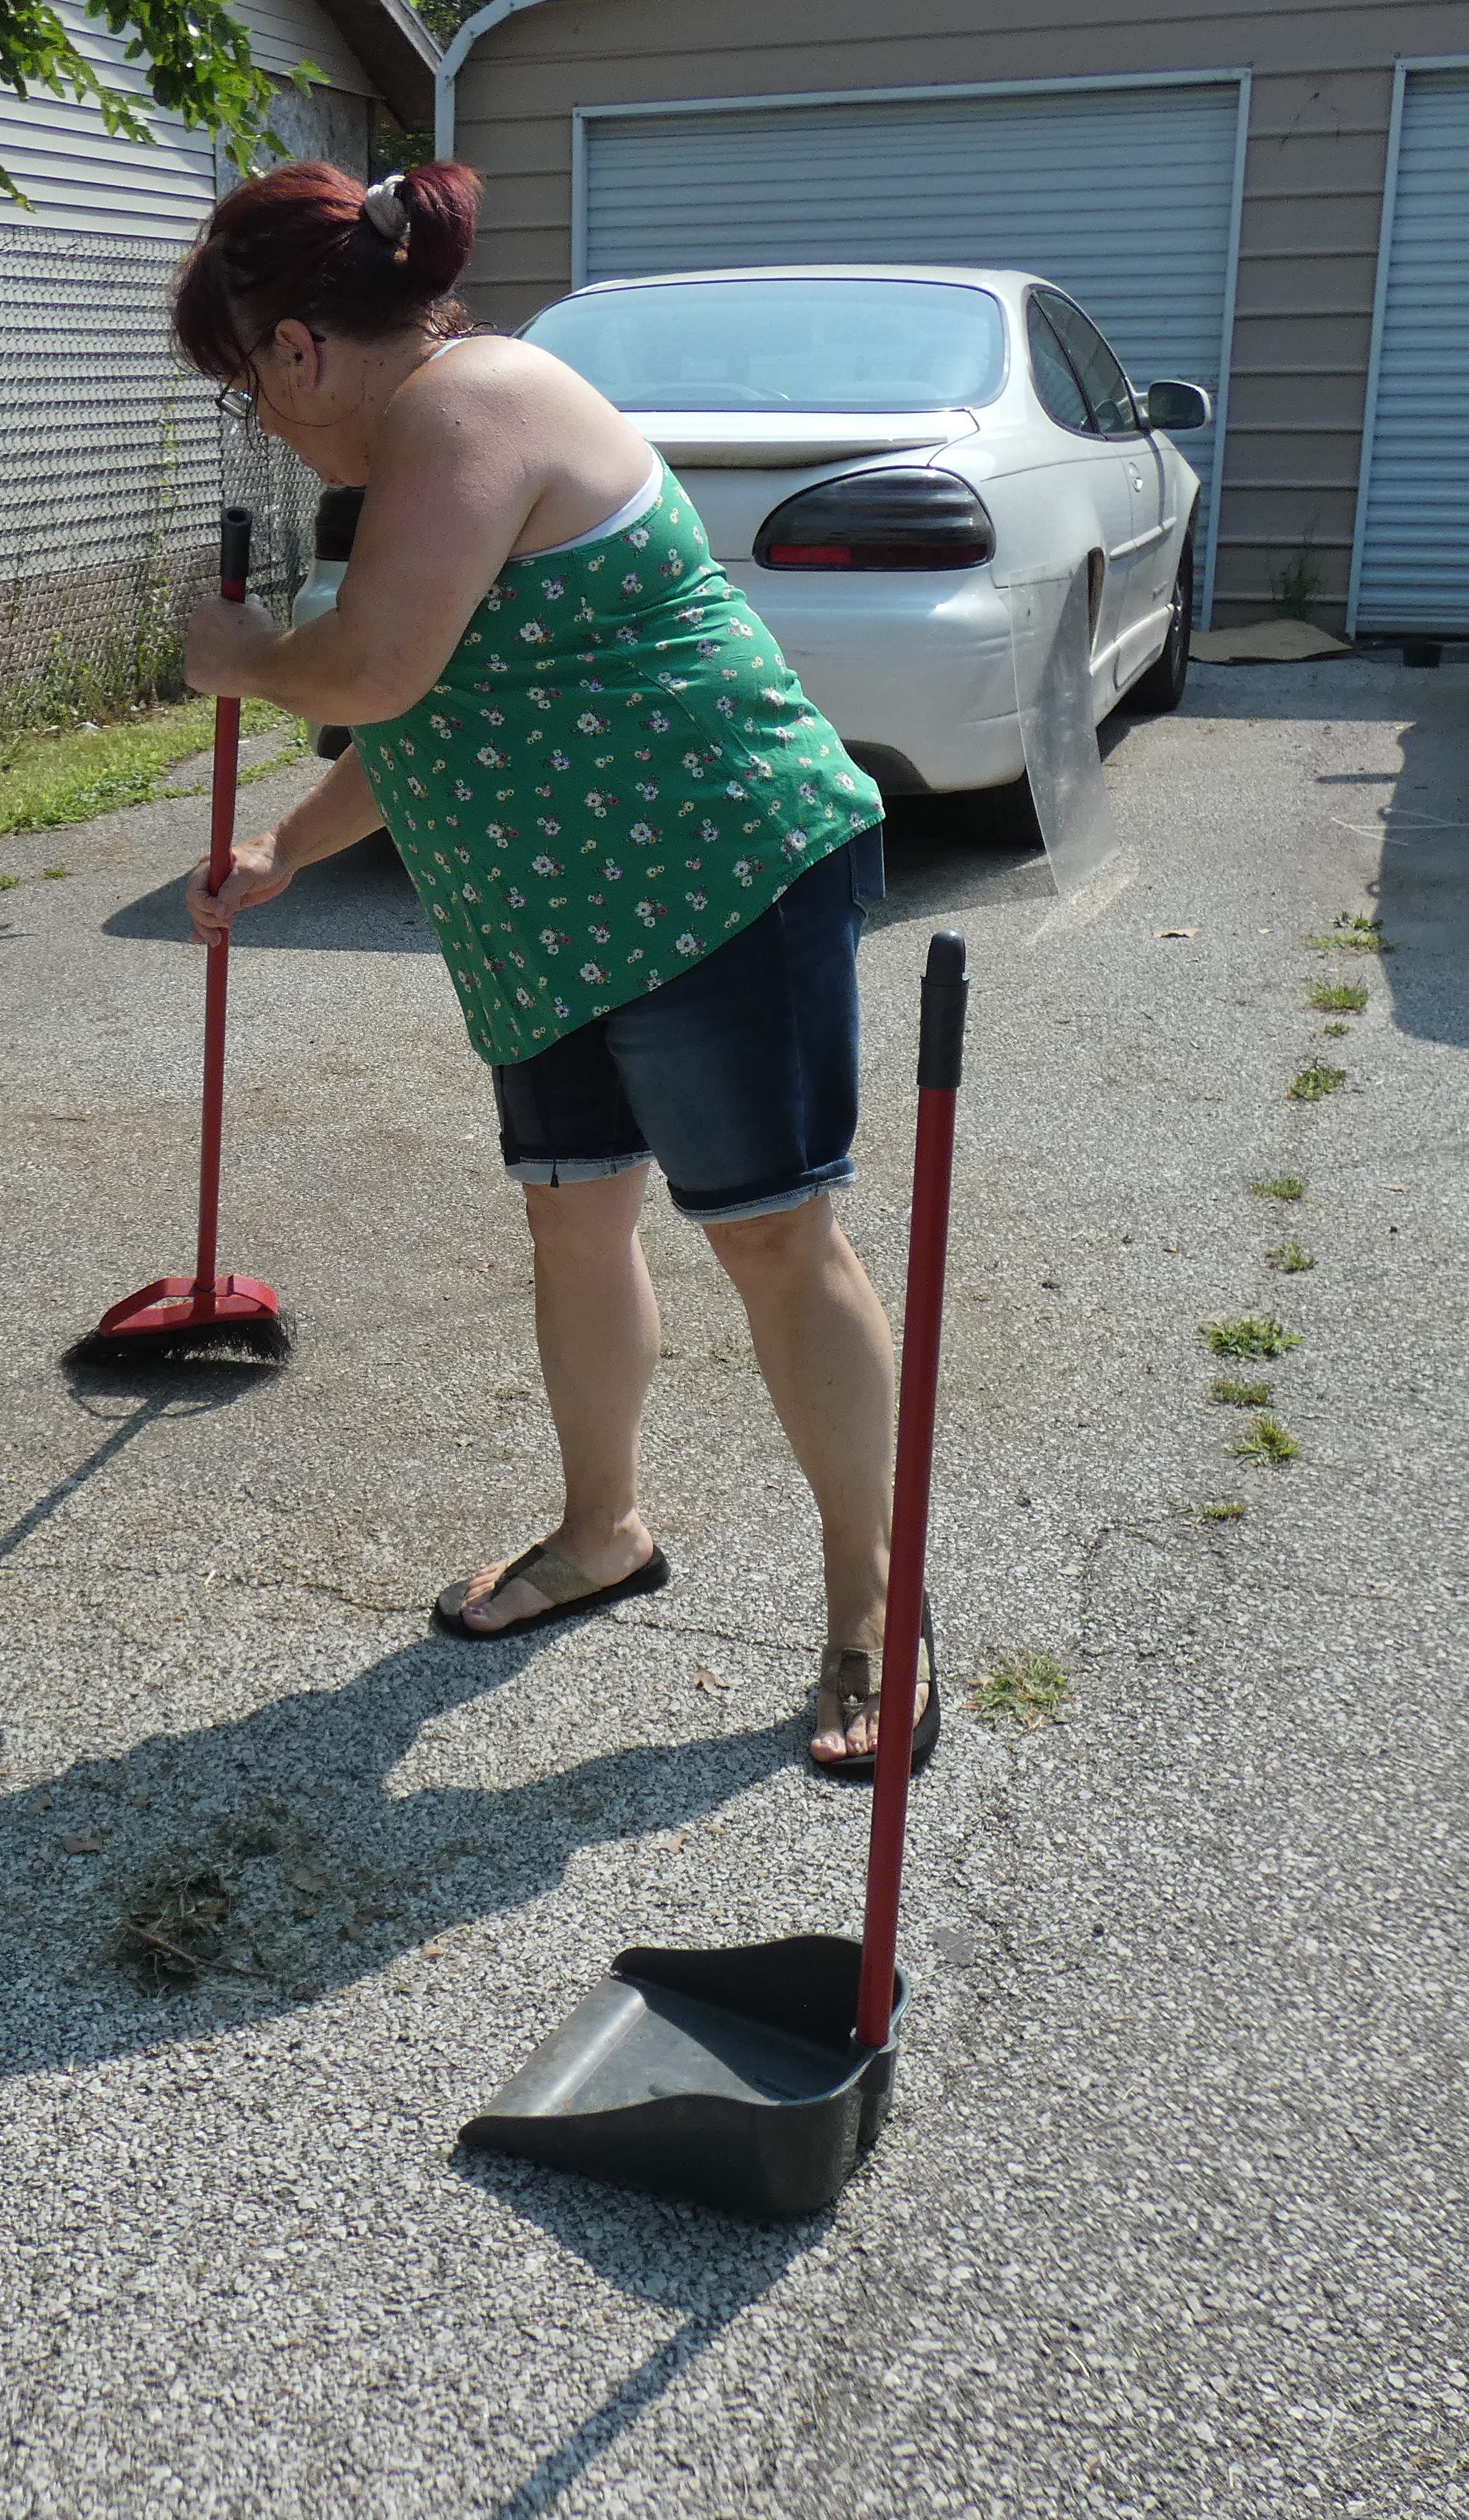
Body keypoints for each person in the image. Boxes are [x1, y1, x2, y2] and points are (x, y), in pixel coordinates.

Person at [171, 160, 930, 1777]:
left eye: (246, 393)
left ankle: (877, 1607)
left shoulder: (472, 404)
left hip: (714, 875)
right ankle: (604, 1533)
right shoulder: (406, 466)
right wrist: (286, 852)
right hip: (556, 917)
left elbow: (371, 666)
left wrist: (238, 655)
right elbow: (429, 710)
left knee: (777, 1243)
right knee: (575, 1220)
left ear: (296, 351)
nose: (265, 428)